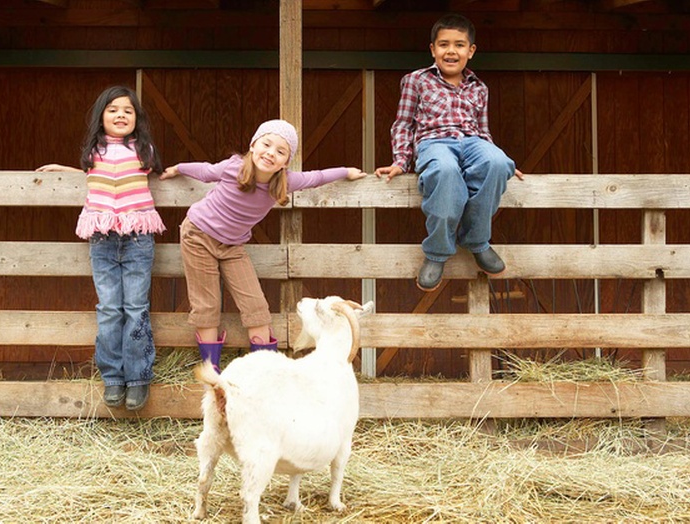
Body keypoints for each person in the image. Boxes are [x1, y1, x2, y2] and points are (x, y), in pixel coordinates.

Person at [159, 119, 366, 372]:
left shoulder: (286, 181)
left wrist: (346, 171)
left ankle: (266, 372)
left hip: (232, 246)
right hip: (198, 235)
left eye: (281, 151)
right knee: (207, 303)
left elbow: (317, 177)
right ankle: (211, 372)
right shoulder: (233, 167)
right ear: (253, 145)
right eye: (266, 144)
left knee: (256, 306)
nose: (271, 153)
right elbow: (205, 171)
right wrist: (178, 168)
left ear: (286, 162)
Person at [36, 85, 164, 411]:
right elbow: (92, 174)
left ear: (137, 118)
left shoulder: (144, 150)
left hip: (137, 238)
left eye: (127, 110)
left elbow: (162, 174)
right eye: (113, 110)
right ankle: (113, 378)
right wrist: (61, 170)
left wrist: (189, 170)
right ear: (101, 116)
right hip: (103, 241)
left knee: (136, 308)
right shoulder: (94, 152)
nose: (120, 115)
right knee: (109, 309)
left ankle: (137, 378)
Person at [375, 13, 523, 292]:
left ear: (471, 51)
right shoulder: (416, 80)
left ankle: (477, 241)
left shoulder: (480, 87)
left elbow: (483, 129)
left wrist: (501, 162)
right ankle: (437, 252)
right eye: (443, 44)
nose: (451, 51)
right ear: (433, 49)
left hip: (472, 141)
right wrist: (400, 160)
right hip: (435, 142)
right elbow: (403, 123)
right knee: (445, 170)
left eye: (459, 45)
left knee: (498, 162)